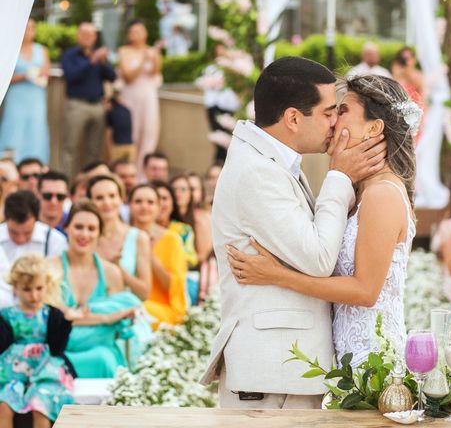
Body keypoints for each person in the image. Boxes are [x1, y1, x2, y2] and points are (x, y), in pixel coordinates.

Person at [199, 58, 388, 409]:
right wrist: (340, 176)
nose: (335, 123)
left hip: (286, 371)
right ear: (293, 118)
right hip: (272, 374)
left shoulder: (272, 161)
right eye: (329, 112)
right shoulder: (257, 172)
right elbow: (317, 258)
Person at [227, 73, 418, 367]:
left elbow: (365, 291)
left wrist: (278, 275)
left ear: (374, 127)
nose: (333, 122)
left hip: (373, 360)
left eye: (342, 111)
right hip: (345, 358)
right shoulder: (359, 192)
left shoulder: (382, 194)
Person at [53, 201, 140, 378]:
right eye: (78, 227)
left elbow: (122, 319)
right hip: (60, 350)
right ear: (67, 228)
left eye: (91, 228)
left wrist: (82, 318)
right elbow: (54, 323)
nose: (84, 234)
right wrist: (107, 318)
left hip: (102, 352)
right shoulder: (50, 270)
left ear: (99, 233)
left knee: (104, 357)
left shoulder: (111, 272)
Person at [0, 255, 75, 427]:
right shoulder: (6, 315)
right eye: (27, 289)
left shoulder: (52, 314)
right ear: (15, 287)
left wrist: (66, 323)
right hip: (12, 373)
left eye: (39, 288)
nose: (34, 295)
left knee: (40, 407)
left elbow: (57, 348)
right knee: (4, 406)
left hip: (45, 371)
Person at [87, 175, 153, 365]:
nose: (107, 203)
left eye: (112, 196)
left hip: (127, 316)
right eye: (99, 198)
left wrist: (117, 270)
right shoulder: (85, 236)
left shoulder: (138, 237)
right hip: (93, 317)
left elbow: (144, 292)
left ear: (120, 199)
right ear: (91, 202)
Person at [60, 22, 116, 176]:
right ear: (78, 35)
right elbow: (71, 76)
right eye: (84, 34)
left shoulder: (99, 55)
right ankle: (66, 184)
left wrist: (103, 62)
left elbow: (112, 77)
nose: (87, 37)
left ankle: (90, 183)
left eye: (91, 34)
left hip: (98, 106)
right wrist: (90, 62)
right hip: (77, 105)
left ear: (95, 37)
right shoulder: (70, 55)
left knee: (94, 150)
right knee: (70, 148)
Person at [129, 185, 187, 328]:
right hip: (127, 303)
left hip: (161, 308)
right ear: (129, 205)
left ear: (158, 207)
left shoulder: (172, 240)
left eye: (150, 202)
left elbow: (174, 287)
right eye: (138, 201)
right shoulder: (124, 236)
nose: (144, 206)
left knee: (136, 310)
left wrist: (148, 253)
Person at [0, 19, 50, 165]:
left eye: (32, 27)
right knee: (14, 127)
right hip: (17, 97)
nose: (30, 31)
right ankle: (9, 164)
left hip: (36, 97)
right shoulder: (10, 49)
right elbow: (4, 78)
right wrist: (24, 76)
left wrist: (39, 76)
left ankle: (36, 164)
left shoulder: (42, 50)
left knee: (36, 129)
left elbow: (46, 74)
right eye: (27, 27)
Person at [117, 20, 163, 173]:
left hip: (148, 95)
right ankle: (130, 170)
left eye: (140, 31)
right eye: (133, 31)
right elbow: (128, 76)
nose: (136, 35)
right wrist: (143, 59)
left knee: (149, 131)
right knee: (132, 133)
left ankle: (145, 171)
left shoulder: (152, 51)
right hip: (131, 95)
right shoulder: (124, 51)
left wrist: (155, 56)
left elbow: (155, 72)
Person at [0, 191, 67, 264]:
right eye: (13, 232)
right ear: (6, 220)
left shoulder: (55, 241)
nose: (21, 239)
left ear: (36, 220)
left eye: (27, 233)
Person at [195, 64, 241, 163]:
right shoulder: (210, 94)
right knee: (220, 146)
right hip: (216, 117)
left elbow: (235, 106)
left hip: (229, 119)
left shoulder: (228, 92)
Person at [106, 94, 135, 164]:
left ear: (110, 103)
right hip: (130, 145)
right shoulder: (127, 110)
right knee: (129, 167)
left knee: (115, 167)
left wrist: (109, 148)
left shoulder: (111, 113)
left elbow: (108, 131)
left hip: (118, 145)